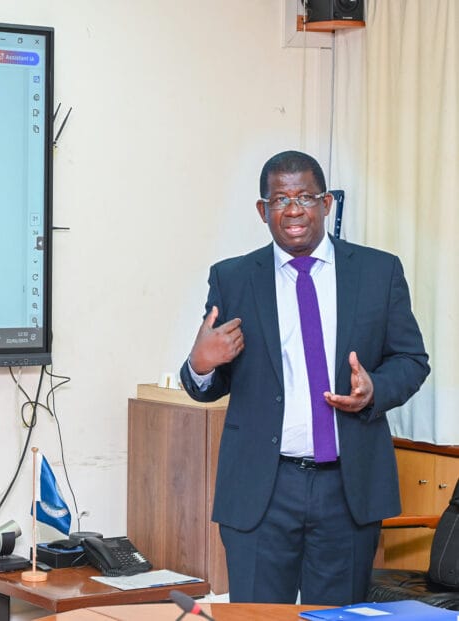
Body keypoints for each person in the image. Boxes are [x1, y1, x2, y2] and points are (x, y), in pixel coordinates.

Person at [179, 150, 430, 606]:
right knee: (256, 616)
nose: (293, 209)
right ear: (263, 211)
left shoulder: (379, 271)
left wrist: (374, 390)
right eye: (280, 199)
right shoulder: (233, 278)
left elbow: (411, 360)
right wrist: (201, 363)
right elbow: (208, 380)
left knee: (337, 616)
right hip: (262, 488)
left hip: (347, 488)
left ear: (326, 203)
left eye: (305, 197)